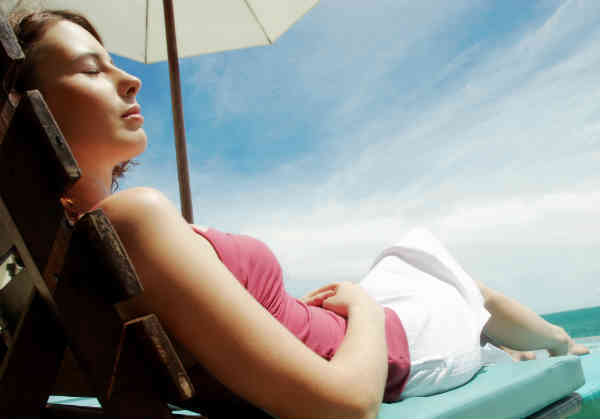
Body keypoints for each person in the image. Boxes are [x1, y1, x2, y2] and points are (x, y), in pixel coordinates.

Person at [7, 8, 589, 419]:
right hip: (397, 348)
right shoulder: (134, 220)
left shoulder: (78, 250)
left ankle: (520, 344)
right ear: (30, 113)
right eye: (90, 70)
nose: (132, 79)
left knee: (414, 262)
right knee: (455, 282)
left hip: (359, 333)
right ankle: (561, 342)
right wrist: (361, 307)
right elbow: (342, 407)